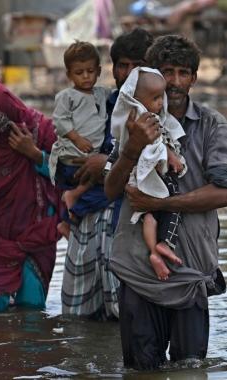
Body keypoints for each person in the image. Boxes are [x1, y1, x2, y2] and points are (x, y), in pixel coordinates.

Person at [105, 34, 227, 369]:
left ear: (193, 78)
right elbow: (111, 190)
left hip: (190, 267)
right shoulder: (131, 121)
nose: (174, 81)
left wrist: (159, 204)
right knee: (141, 368)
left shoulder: (212, 125)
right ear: (152, 74)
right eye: (166, 71)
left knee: (190, 366)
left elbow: (224, 191)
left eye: (182, 72)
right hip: (137, 265)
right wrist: (131, 150)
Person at [61, 28, 154, 319]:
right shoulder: (100, 105)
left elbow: (156, 171)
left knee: (124, 313)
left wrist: (105, 164)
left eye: (137, 66)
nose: (128, 73)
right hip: (90, 219)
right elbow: (72, 160)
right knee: (78, 313)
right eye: (122, 65)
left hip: (127, 222)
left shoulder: (158, 114)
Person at [0, 70, 62, 313]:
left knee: (32, 308)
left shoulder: (38, 129)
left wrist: (34, 154)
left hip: (36, 235)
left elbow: (70, 173)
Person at [111, 66, 185, 280]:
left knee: (150, 216)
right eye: (154, 98)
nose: (161, 103)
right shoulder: (141, 122)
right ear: (137, 100)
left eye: (161, 97)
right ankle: (163, 244)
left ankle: (154, 252)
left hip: (143, 180)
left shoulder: (147, 119)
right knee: (174, 203)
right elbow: (157, 143)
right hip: (144, 177)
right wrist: (171, 156)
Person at [49, 41, 111, 239]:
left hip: (89, 157)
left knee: (103, 189)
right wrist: (76, 139)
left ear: (98, 71)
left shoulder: (102, 94)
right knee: (103, 189)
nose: (85, 76)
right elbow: (59, 121)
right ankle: (70, 213)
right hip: (73, 157)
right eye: (79, 72)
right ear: (69, 75)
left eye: (90, 71)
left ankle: (68, 219)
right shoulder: (67, 96)